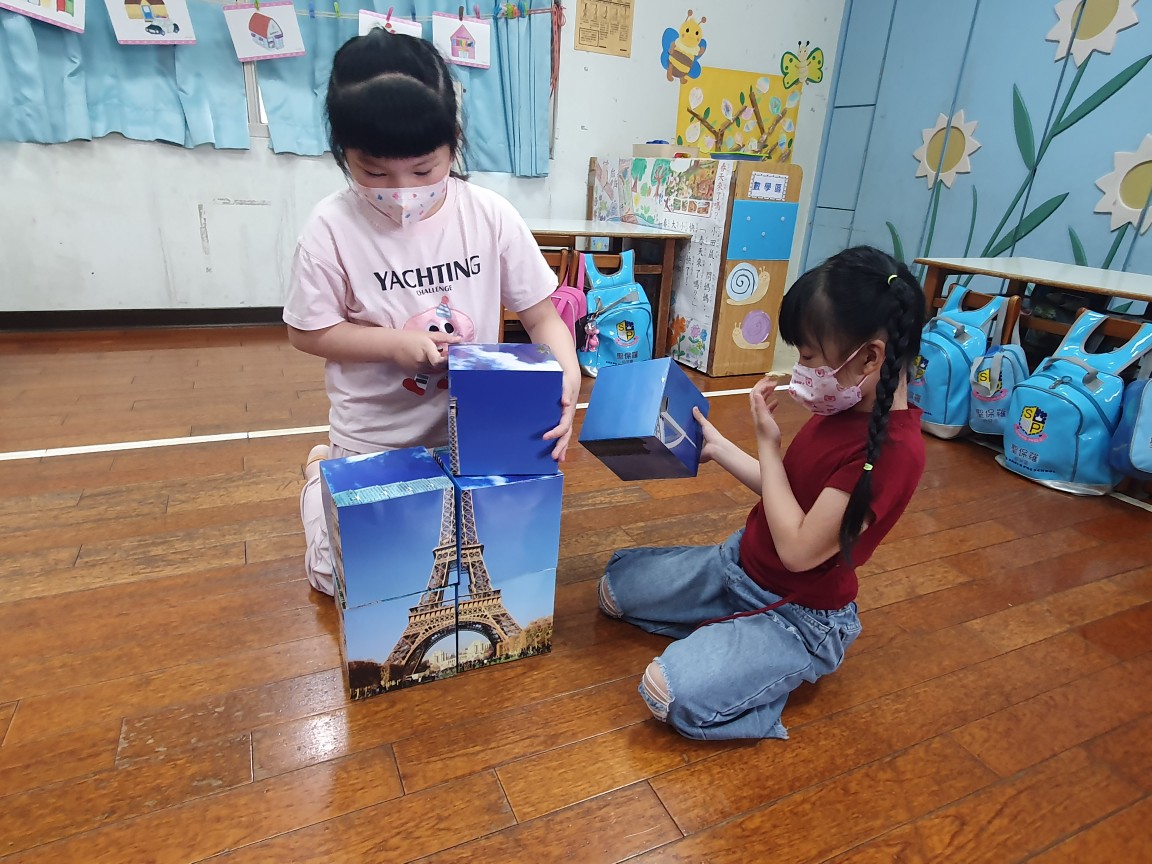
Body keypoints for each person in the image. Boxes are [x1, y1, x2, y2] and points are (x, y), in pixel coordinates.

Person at [283, 29, 579, 596]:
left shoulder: (490, 215)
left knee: (484, 578)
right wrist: (393, 344)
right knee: (341, 584)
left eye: (423, 170)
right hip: (375, 436)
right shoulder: (330, 228)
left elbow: (543, 316)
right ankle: (322, 477)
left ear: (453, 141)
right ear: (342, 151)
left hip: (476, 433)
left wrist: (564, 381)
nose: (401, 190)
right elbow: (308, 331)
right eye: (373, 172)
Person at [598, 246, 926, 740]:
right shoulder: (844, 406)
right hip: (739, 564)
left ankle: (764, 668)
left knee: (666, 691)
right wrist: (720, 448)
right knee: (614, 589)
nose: (801, 369)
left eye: (809, 356)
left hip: (797, 615)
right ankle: (730, 627)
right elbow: (785, 496)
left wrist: (768, 445)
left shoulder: (893, 453)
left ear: (870, 357)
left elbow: (798, 550)